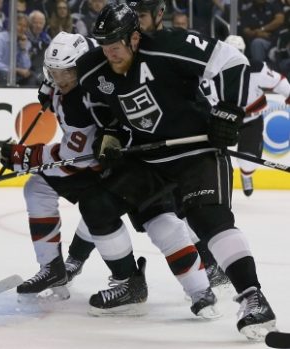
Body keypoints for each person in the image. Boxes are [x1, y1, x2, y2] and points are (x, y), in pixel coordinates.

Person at [76, 3, 276, 339]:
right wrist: (111, 134)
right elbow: (101, 105)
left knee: (207, 219)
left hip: (195, 151)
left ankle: (254, 299)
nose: (109, 52)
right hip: (148, 157)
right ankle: (129, 283)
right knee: (96, 205)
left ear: (134, 37)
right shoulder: (92, 69)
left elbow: (231, 60)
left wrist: (228, 110)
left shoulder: (167, 44)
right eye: (103, 44)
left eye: (115, 43)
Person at [0, 31, 218, 318]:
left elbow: (71, 157)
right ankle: (55, 269)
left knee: (159, 221)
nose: (59, 79)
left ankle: (198, 290)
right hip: (114, 163)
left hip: (133, 162)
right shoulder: (79, 81)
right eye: (53, 72)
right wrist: (49, 88)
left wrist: (25, 157)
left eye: (66, 72)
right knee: (44, 189)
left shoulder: (85, 97)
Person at [126, 0, 233, 292]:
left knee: (193, 212)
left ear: (160, 14)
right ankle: (211, 266)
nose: (136, 22)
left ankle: (215, 267)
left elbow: (228, 63)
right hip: (153, 150)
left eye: (142, 16)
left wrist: (226, 115)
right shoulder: (125, 47)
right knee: (172, 211)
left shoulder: (173, 43)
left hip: (187, 146)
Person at [205, 35, 290, 197]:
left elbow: (279, 82)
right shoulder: (211, 71)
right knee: (208, 159)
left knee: (248, 160)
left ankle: (247, 174)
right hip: (220, 120)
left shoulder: (257, 68)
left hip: (250, 120)